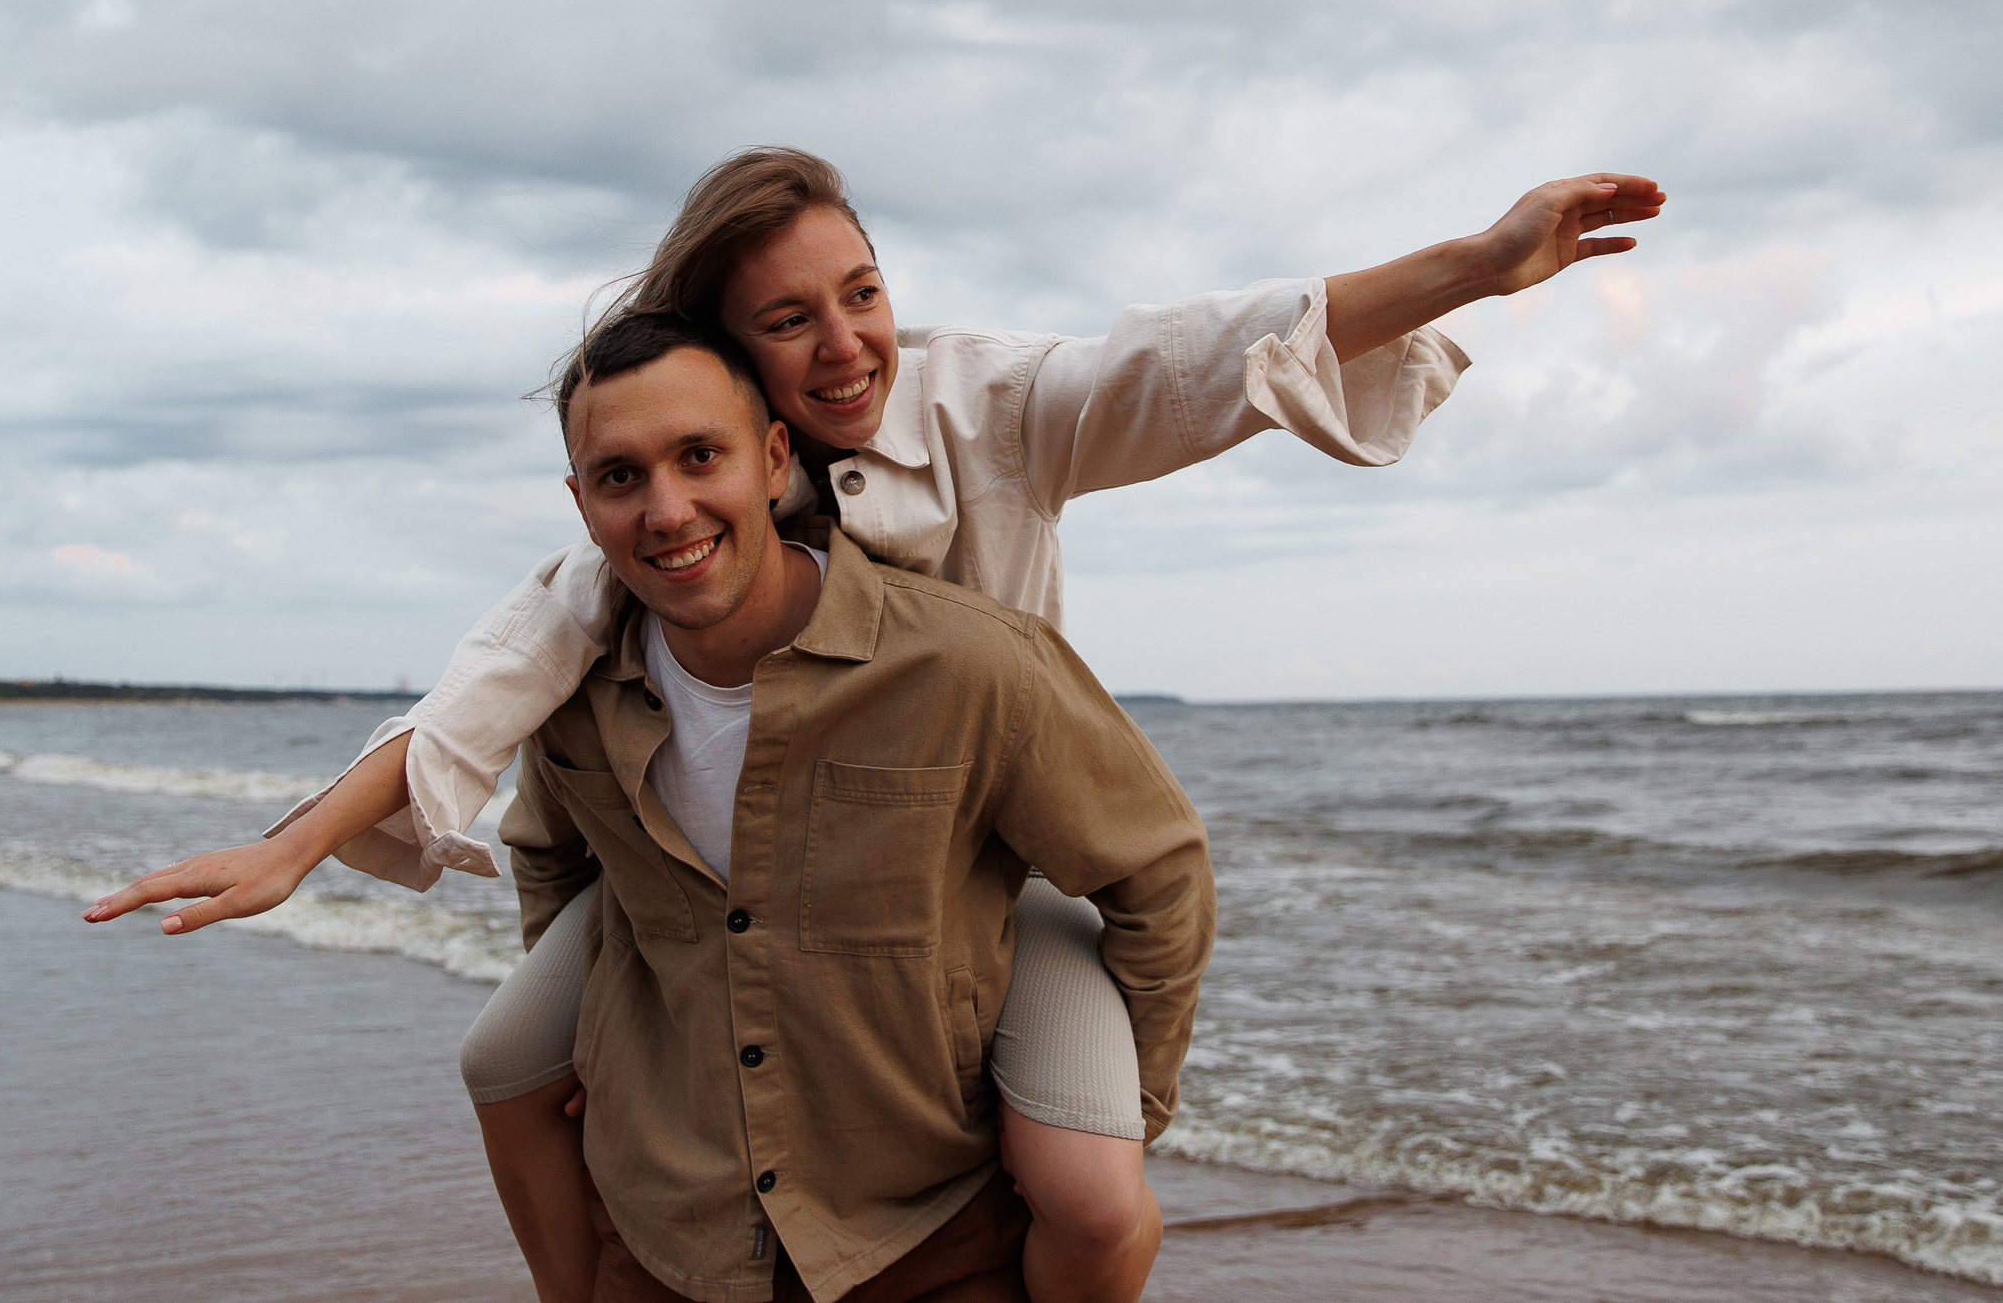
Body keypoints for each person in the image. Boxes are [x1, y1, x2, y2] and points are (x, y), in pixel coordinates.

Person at [85, 146, 1664, 1301]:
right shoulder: (667, 502)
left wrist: (1478, 258)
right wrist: (295, 845)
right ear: (724, 360)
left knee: (1090, 1192)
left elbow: (1204, 357)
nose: (849, 344)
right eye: (791, 319)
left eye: (866, 294)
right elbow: (485, 692)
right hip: (753, 871)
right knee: (509, 1052)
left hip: (975, 858)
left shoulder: (995, 405)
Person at [527, 307, 1205, 1300]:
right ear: (581, 503)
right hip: (667, 1234)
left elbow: (1158, 874)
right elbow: (550, 859)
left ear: (770, 461)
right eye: (620, 477)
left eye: (699, 456)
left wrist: (1117, 1116)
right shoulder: (573, 694)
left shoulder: (973, 666)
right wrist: (598, 1048)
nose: (666, 511)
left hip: (932, 1235)